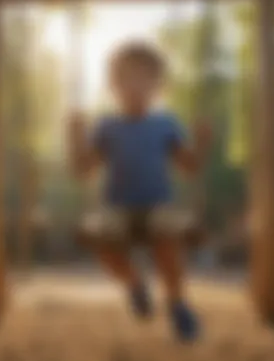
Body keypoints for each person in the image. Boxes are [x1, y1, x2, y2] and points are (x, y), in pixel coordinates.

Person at [69, 42, 213, 342]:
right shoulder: (106, 125)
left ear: (157, 85)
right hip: (116, 208)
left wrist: (201, 144)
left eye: (143, 78)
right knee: (100, 240)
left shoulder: (165, 123)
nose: (134, 86)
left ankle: (177, 303)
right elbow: (84, 170)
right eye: (125, 78)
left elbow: (189, 167)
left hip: (157, 205)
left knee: (168, 240)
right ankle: (135, 284)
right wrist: (75, 138)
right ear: (113, 85)